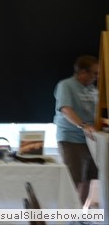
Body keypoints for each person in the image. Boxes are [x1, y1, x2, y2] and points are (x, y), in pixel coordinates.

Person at [53, 55, 99, 205]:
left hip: (91, 140)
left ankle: (80, 215)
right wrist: (83, 126)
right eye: (94, 73)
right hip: (71, 139)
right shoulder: (66, 85)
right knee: (73, 180)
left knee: (88, 178)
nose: (96, 77)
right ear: (83, 72)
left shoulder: (93, 89)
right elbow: (66, 109)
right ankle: (66, 217)